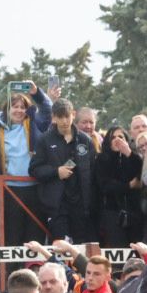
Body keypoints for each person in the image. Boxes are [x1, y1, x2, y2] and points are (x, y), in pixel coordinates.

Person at [31, 99, 96, 242]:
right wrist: (56, 172)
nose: (64, 121)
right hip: (57, 206)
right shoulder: (44, 140)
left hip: (82, 206)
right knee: (61, 248)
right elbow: (34, 169)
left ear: (73, 114)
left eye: (67, 116)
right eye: (60, 117)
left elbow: (94, 172)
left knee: (81, 250)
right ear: (54, 117)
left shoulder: (85, 140)